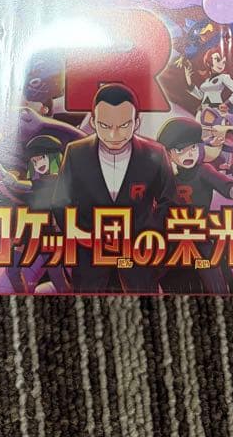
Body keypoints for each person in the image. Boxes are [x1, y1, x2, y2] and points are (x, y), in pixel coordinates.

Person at [52, 83, 177, 293]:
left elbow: (170, 203)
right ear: (93, 122)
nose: (114, 135)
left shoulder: (156, 153)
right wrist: (81, 235)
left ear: (137, 122)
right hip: (90, 258)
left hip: (140, 256)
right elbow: (60, 202)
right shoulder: (75, 152)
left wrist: (148, 236)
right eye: (105, 125)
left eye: (124, 125)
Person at [156, 116, 233, 293]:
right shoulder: (163, 174)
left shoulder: (203, 170)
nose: (189, 154)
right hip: (168, 234)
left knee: (214, 278)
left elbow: (225, 185)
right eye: (180, 150)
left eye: (193, 148)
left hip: (198, 232)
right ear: (169, 153)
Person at [184, 47, 233, 115]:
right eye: (217, 60)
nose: (221, 64)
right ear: (209, 61)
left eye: (224, 62)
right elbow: (200, 96)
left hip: (215, 111)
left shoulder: (224, 77)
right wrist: (188, 78)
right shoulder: (207, 80)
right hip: (202, 111)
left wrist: (226, 104)